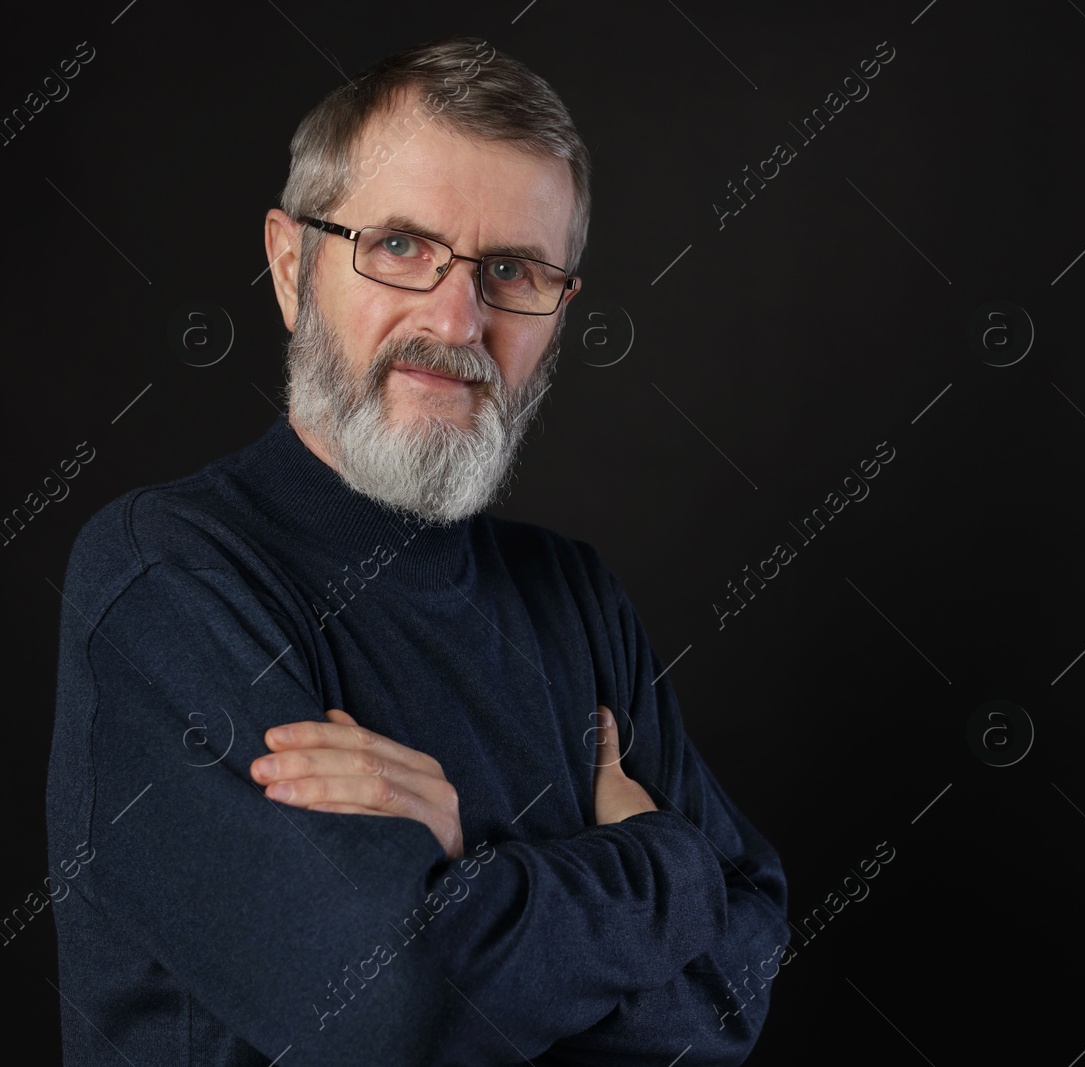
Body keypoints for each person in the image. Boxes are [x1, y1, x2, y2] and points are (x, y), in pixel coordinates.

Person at [46, 36, 787, 1066]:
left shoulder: (575, 596)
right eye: (399, 246)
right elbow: (392, 1013)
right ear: (290, 263)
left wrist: (470, 884)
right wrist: (667, 859)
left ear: (558, 309)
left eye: (511, 269)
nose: (456, 318)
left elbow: (742, 972)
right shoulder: (170, 580)